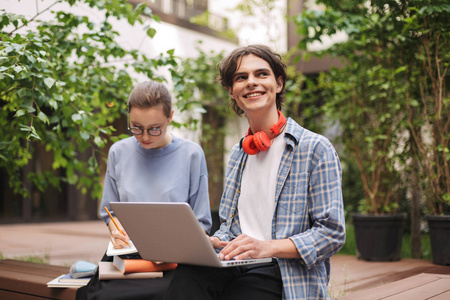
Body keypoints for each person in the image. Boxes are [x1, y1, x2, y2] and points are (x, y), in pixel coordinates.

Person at [163, 45, 345, 300]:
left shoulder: (315, 148)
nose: (251, 82)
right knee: (185, 276)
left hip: (282, 271)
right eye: (241, 77)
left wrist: (264, 247)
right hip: (237, 263)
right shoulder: (239, 153)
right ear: (232, 91)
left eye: (261, 74)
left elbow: (331, 233)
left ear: (278, 83)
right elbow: (230, 227)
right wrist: (215, 242)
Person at [76, 80, 212, 300]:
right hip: (128, 257)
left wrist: (172, 248)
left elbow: (202, 224)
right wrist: (115, 230)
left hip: (175, 262)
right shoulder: (118, 152)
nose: (145, 136)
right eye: (136, 127)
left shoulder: (191, 155)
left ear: (170, 117)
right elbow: (110, 212)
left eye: (154, 128)